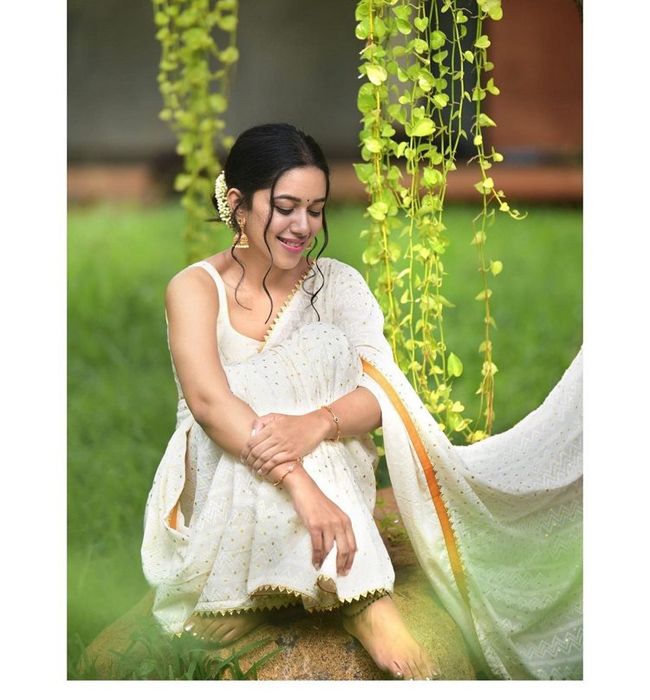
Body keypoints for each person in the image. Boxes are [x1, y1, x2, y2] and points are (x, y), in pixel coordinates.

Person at [142, 123, 582, 681]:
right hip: (228, 466)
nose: (303, 227)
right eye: (285, 208)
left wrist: (315, 424)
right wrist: (301, 484)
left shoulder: (338, 284)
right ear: (238, 204)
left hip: (320, 452)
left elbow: (382, 394)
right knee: (249, 395)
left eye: (316, 209)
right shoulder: (195, 287)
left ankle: (339, 600)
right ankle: (353, 597)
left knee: (317, 370)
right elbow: (209, 404)